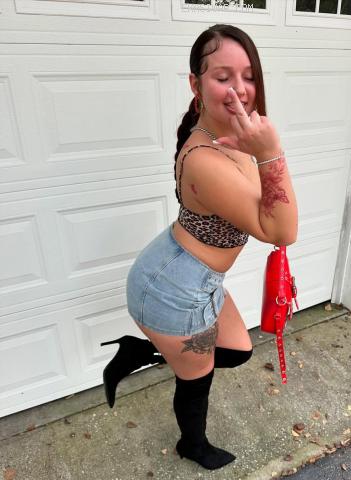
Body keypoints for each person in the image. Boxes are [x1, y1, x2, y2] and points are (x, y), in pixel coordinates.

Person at [100, 24, 298, 471]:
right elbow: (281, 230)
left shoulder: (232, 138)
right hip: (173, 288)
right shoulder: (205, 159)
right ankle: (192, 444)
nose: (239, 89)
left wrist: (260, 150)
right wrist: (272, 152)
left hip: (196, 277)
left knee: (237, 350)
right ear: (196, 84)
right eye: (222, 77)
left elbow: (269, 211)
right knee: (197, 376)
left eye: (249, 76)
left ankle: (141, 351)